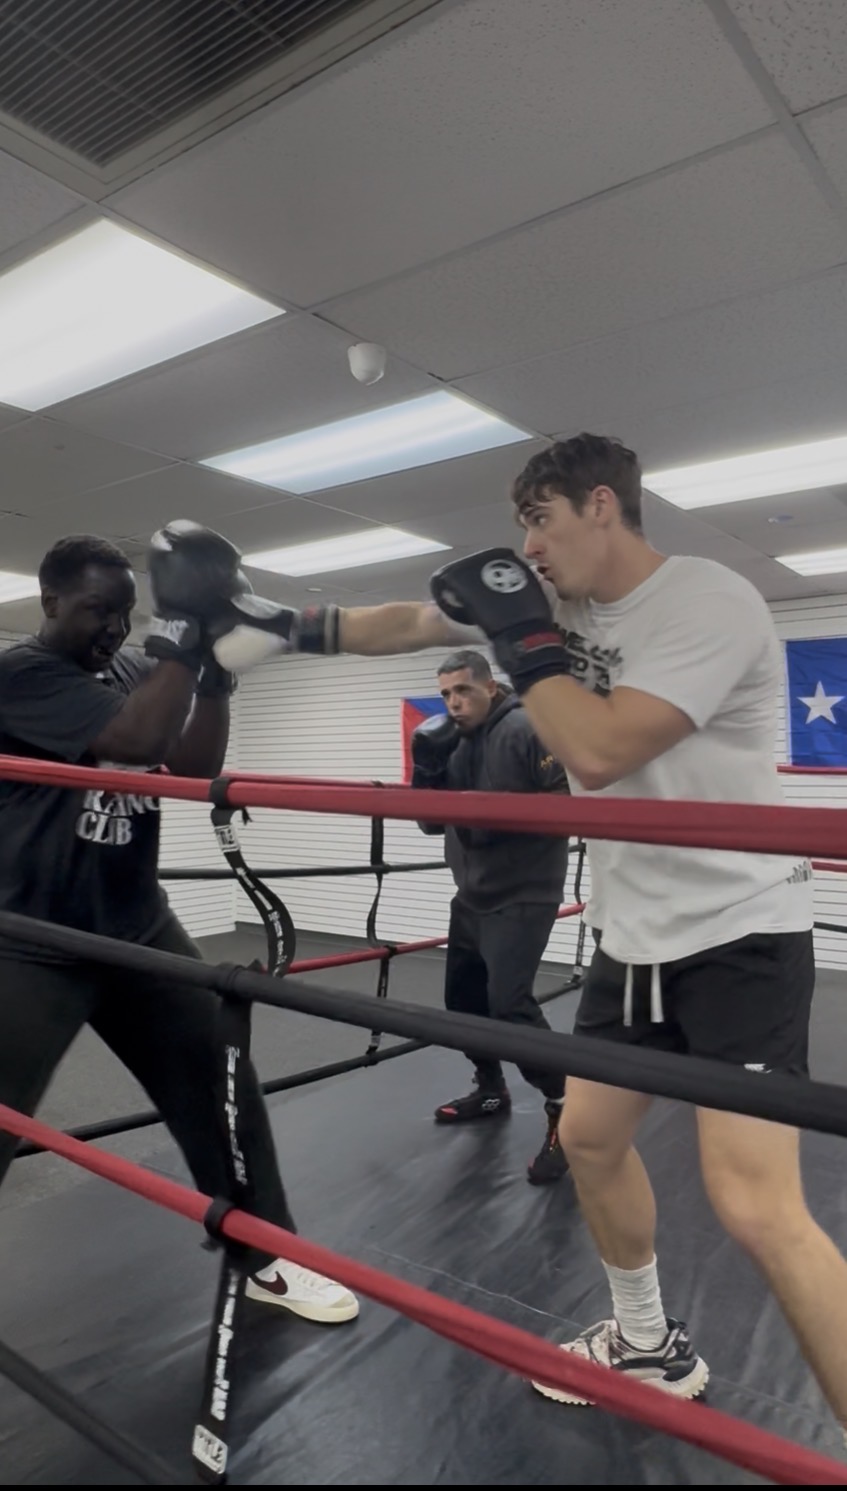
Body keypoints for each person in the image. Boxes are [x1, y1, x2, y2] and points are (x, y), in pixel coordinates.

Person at [212, 434, 847, 1432]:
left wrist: (525, 643)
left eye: (539, 520)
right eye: (520, 527)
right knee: (588, 1139)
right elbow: (408, 620)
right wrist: (282, 625)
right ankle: (647, 1342)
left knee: (756, 1206)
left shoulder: (707, 600)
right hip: (633, 937)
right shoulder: (558, 606)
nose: (529, 547)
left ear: (600, 504)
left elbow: (598, 750)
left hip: (738, 933)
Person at [0, 527, 358, 1326]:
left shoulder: (135, 669)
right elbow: (134, 739)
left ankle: (264, 1253)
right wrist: (181, 632)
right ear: (50, 599)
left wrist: (215, 673)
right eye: (97, 609)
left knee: (222, 1082)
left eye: (125, 612)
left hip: (137, 928)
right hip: (32, 940)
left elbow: (192, 767)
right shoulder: (20, 673)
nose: (113, 628)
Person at [411, 649, 569, 1183]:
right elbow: (432, 825)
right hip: (472, 894)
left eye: (464, 691)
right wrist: (427, 772)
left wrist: (496, 815)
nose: (454, 703)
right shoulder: (450, 740)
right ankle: (490, 1087)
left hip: (524, 892)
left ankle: (564, 1105)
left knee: (510, 1004)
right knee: (464, 1002)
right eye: (446, 694)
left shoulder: (528, 728)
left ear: (491, 687)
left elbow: (565, 809)